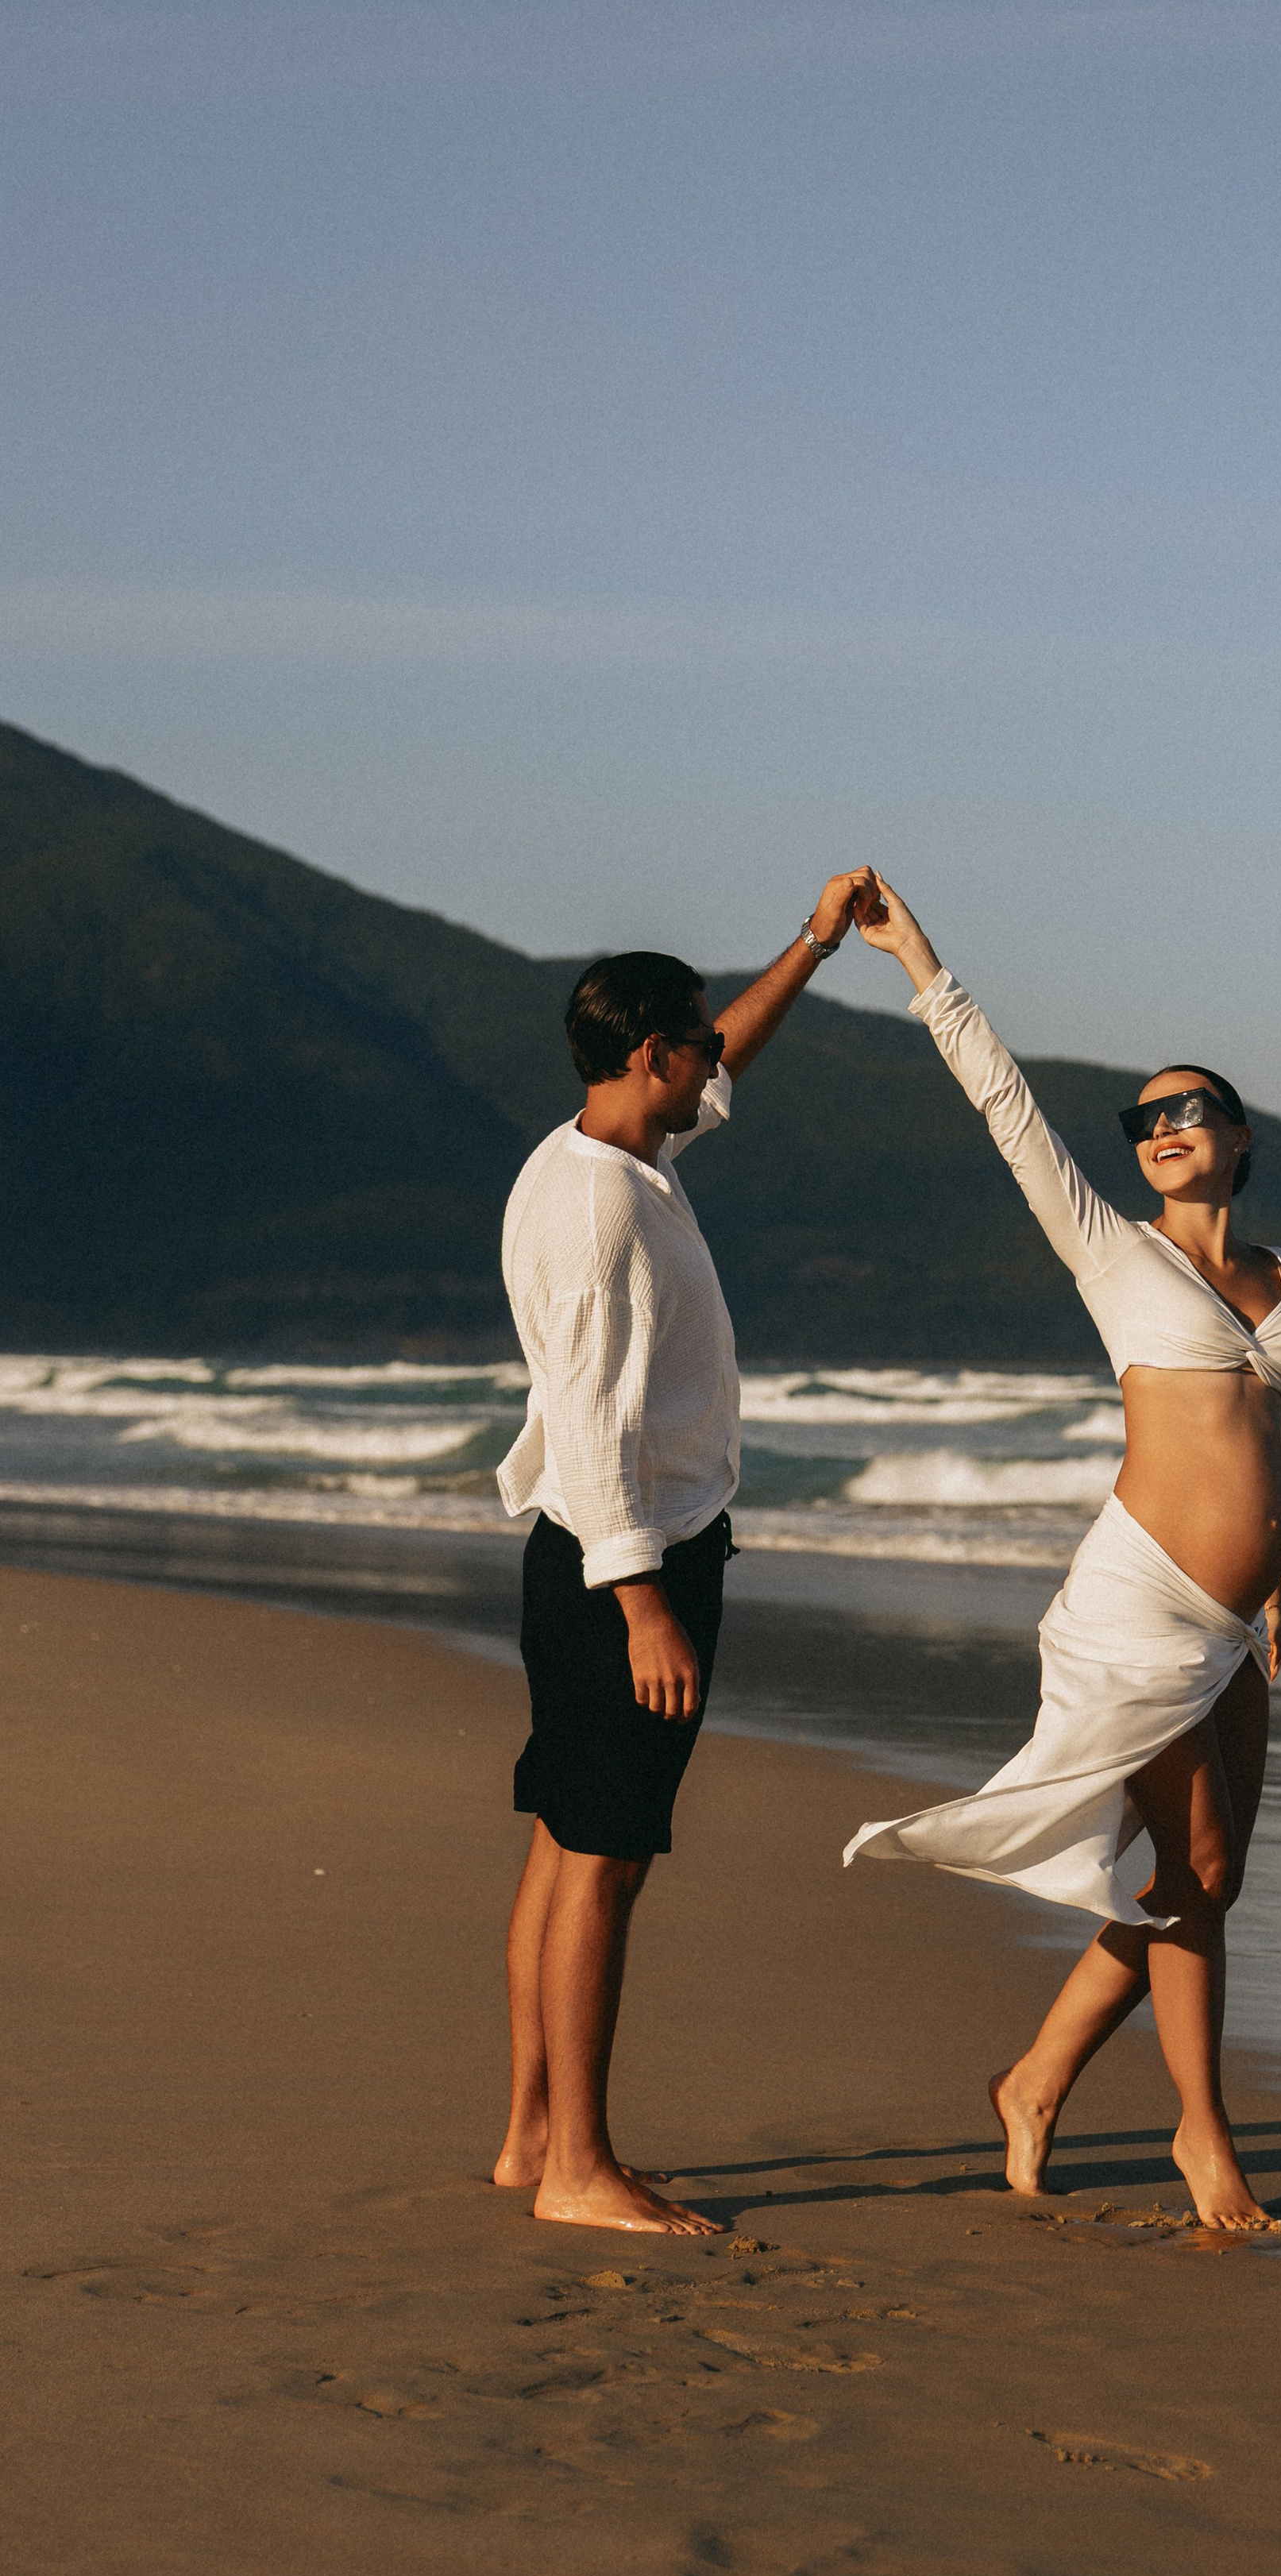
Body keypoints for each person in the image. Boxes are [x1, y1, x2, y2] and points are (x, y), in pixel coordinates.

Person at [845, 877, 1281, 2228]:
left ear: (1237, 1138)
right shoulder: (1112, 1250)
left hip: (1232, 1622)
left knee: (1201, 1881)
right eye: (1144, 1120)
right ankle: (1203, 2142)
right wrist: (920, 960)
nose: (1162, 1130)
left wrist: (1276, 1576)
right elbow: (1007, 1107)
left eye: (1187, 1111)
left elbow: (1258, 1439)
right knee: (1199, 1875)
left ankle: (1037, 2079)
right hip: (1138, 1603)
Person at [492, 869, 875, 2237]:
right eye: (698, 1043)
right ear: (648, 1054)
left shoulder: (606, 1152)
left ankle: (537, 2134)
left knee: (567, 1845)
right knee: (601, 1860)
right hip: (625, 1561)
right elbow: (592, 1422)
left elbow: (732, 1064)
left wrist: (817, 942)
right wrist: (644, 1601)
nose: (717, 1062)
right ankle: (582, 2172)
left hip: (597, 1551)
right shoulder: (599, 1212)